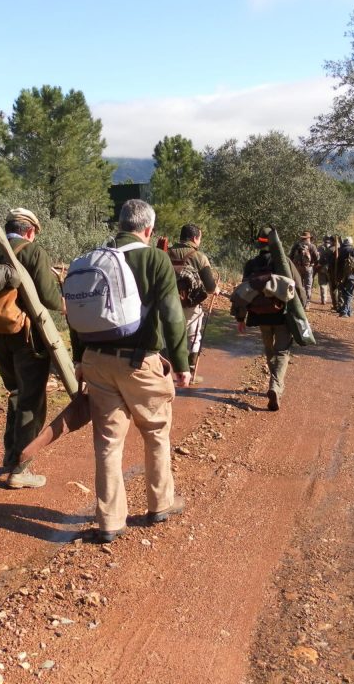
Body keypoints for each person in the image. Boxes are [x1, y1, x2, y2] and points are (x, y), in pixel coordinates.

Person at [73, 199, 190, 544]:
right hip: (140, 362)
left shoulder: (93, 258)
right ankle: (160, 504)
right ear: (148, 229)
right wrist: (182, 364)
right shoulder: (154, 258)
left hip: (95, 360)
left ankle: (110, 521)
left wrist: (79, 359)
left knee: (108, 443)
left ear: (121, 224)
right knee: (156, 432)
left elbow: (78, 313)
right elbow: (172, 314)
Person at [0, 208, 63, 489]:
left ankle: (10, 454)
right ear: (30, 231)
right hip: (27, 337)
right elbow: (49, 298)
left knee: (15, 392)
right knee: (31, 400)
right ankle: (20, 468)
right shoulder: (34, 253)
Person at [236, 227, 307, 411]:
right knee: (282, 351)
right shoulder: (284, 263)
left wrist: (240, 317)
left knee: (269, 350)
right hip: (282, 315)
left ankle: (275, 383)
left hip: (260, 316)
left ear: (259, 245)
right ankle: (275, 386)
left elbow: (243, 293)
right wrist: (301, 310)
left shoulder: (251, 264)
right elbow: (299, 288)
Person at [167, 223, 218, 384]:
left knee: (167, 335)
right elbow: (210, 287)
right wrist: (216, 289)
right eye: (200, 238)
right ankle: (190, 374)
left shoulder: (165, 253)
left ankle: (164, 373)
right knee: (193, 337)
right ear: (195, 238)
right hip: (190, 304)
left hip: (166, 303)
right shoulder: (199, 257)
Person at [335, 236, 354, 317]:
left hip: (341, 277)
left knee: (345, 294)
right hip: (352, 276)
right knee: (349, 294)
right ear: (351, 243)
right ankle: (344, 312)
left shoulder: (339, 250)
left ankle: (349, 311)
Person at [288, 231, 319, 306]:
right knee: (308, 286)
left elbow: (290, 257)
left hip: (297, 268)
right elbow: (316, 258)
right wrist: (315, 264)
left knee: (299, 285)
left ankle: (299, 302)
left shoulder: (296, 245)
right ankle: (307, 303)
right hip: (308, 268)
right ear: (309, 238)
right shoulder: (312, 246)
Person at [316, 236, 336, 306]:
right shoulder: (333, 248)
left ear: (323, 240)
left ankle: (324, 300)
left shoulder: (319, 247)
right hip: (330, 269)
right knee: (331, 285)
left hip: (321, 268)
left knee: (322, 284)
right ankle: (334, 300)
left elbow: (317, 257)